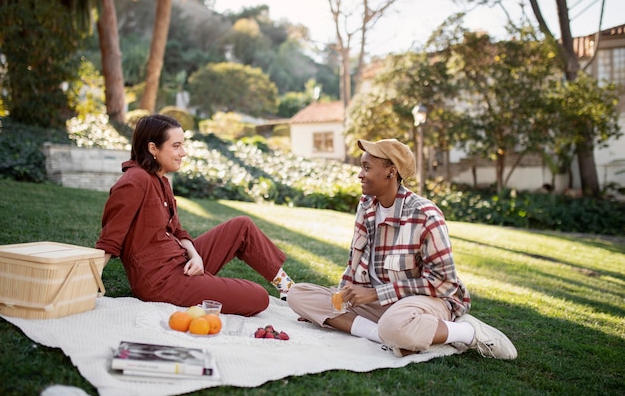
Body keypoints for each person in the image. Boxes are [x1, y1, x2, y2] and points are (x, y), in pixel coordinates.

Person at [287, 138, 516, 359]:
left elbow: (444, 282)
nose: (360, 174)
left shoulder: (425, 215)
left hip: (428, 301)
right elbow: (354, 260)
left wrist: (374, 294)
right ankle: (387, 335)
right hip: (380, 304)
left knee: (395, 324)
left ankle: (468, 332)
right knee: (297, 295)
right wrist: (337, 302)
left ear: (391, 171)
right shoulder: (366, 205)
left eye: (367, 167)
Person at [95, 114, 294, 316]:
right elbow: (110, 239)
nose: (183, 152)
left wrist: (196, 256)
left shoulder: (161, 180)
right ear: (152, 148)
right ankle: (205, 286)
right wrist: (90, 281)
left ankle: (289, 290)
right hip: (160, 281)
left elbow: (178, 231)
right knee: (258, 297)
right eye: (176, 146)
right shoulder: (134, 182)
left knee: (241, 226)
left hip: (181, 262)